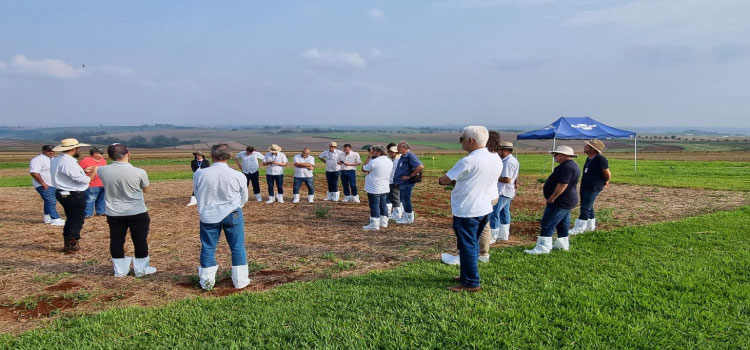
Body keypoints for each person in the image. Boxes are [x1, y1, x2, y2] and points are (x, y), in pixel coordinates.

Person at [439, 126, 502, 292]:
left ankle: (471, 282)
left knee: (467, 246)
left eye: (462, 139)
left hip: (467, 209)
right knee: (472, 244)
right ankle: (467, 275)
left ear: (471, 140)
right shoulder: (494, 157)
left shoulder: (468, 161)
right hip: (484, 206)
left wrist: (446, 177)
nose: (461, 142)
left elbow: (444, 180)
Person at [193, 143, 250, 290]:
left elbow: (197, 193)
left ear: (211, 156)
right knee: (237, 247)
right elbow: (244, 197)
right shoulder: (238, 175)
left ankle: (207, 282)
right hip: (233, 213)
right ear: (230, 156)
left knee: (208, 247)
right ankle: (241, 281)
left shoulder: (199, 174)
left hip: (208, 215)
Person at [97, 143, 156, 278]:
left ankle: (120, 270)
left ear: (110, 156)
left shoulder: (102, 171)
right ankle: (141, 269)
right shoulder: (139, 172)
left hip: (114, 212)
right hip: (137, 211)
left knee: (116, 240)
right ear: (128, 154)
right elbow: (146, 189)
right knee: (140, 240)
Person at [524, 145, 581, 255]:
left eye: (556, 154)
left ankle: (543, 248)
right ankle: (562, 244)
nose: (554, 156)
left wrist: (552, 197)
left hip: (560, 200)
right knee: (563, 223)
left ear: (564, 155)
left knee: (548, 223)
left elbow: (563, 184)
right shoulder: (573, 165)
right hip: (567, 200)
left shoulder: (566, 167)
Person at [50, 138, 98, 253]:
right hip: (73, 194)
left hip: (63, 192)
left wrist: (84, 170)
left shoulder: (58, 160)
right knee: (76, 220)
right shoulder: (68, 162)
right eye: (78, 148)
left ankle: (68, 242)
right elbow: (83, 180)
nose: (79, 150)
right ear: (73, 149)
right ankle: (71, 245)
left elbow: (69, 175)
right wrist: (93, 172)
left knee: (71, 219)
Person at [570, 139, 611, 234]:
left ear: (592, 149)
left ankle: (579, 228)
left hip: (594, 186)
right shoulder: (589, 158)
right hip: (586, 185)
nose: (584, 147)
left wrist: (606, 180)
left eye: (587, 146)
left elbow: (607, 173)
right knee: (589, 206)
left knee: (585, 207)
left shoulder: (600, 159)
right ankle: (590, 226)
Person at [490, 141, 520, 242]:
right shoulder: (510, 160)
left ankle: (493, 236)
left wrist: (493, 177)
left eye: (499, 150)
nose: (497, 152)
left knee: (494, 213)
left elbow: (507, 179)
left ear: (505, 151)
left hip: (503, 192)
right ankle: (503, 235)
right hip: (507, 192)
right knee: (504, 213)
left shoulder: (508, 162)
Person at [30, 145, 64, 226]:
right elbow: (34, 173)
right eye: (49, 151)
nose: (51, 152)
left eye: (53, 151)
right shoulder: (37, 160)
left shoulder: (53, 159)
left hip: (53, 184)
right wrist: (43, 183)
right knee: (51, 201)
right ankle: (55, 219)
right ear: (43, 151)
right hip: (43, 184)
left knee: (49, 201)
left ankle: (47, 218)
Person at [361, 145, 393, 230]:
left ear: (378, 152)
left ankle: (374, 224)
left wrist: (368, 158)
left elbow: (364, 169)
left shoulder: (374, 162)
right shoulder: (389, 161)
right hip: (385, 187)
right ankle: (384, 223)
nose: (372, 153)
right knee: (383, 205)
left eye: (373, 151)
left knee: (374, 205)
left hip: (374, 188)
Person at [393, 141, 424, 224]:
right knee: (403, 199)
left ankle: (408, 218)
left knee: (406, 200)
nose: (397, 149)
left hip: (406, 183)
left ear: (404, 148)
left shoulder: (410, 156)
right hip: (402, 182)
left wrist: (410, 176)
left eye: (398, 147)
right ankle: (406, 216)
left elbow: (420, 166)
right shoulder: (403, 156)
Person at [79, 147, 107, 218]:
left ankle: (101, 212)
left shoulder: (103, 161)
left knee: (101, 198)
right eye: (100, 153)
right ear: (95, 154)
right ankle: (88, 214)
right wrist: (85, 170)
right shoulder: (85, 160)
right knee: (90, 199)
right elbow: (79, 171)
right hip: (92, 184)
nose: (102, 154)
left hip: (102, 183)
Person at [385, 143, 403, 220]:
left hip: (395, 182)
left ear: (396, 152)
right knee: (392, 198)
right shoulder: (392, 160)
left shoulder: (398, 160)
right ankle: (393, 214)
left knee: (395, 198)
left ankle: (397, 215)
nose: (391, 153)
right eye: (390, 152)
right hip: (390, 181)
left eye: (392, 152)